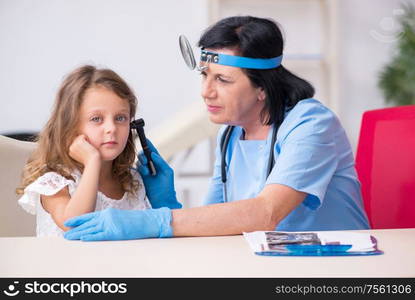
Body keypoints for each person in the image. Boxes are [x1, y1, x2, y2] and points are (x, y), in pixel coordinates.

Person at [63, 16, 369, 241]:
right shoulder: (231, 134)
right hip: (273, 266)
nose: (206, 91)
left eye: (222, 80)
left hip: (335, 265)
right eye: (205, 75)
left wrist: (154, 221)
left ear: (262, 88)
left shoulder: (312, 124)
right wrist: (167, 203)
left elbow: (267, 213)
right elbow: (214, 226)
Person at [16, 65, 160, 237]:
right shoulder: (55, 184)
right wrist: (92, 162)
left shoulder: (132, 182)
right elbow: (75, 226)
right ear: (71, 126)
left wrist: (163, 204)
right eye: (96, 119)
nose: (111, 128)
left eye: (120, 118)